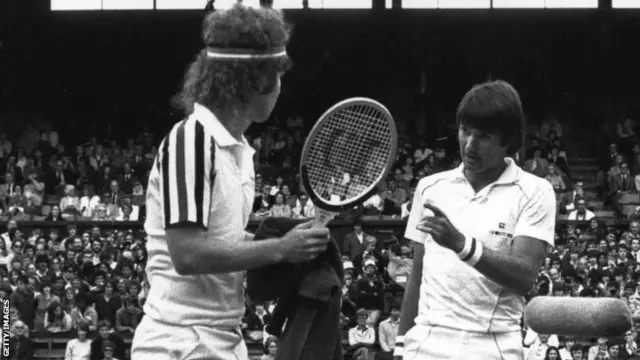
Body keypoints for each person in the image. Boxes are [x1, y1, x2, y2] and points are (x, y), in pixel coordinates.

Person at [130, 3, 331, 360]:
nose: (281, 85)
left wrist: (294, 248)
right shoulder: (191, 140)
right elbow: (187, 254)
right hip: (179, 341)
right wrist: (280, 249)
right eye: (277, 73)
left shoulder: (238, 150)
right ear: (254, 79)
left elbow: (222, 243)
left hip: (221, 338)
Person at [395, 80, 556, 360]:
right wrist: (400, 345)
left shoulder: (536, 191)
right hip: (425, 343)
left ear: (507, 140)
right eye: (464, 131)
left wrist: (461, 245)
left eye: (483, 136)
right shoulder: (430, 187)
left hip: (492, 345)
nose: (469, 145)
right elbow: (418, 274)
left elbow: (524, 277)